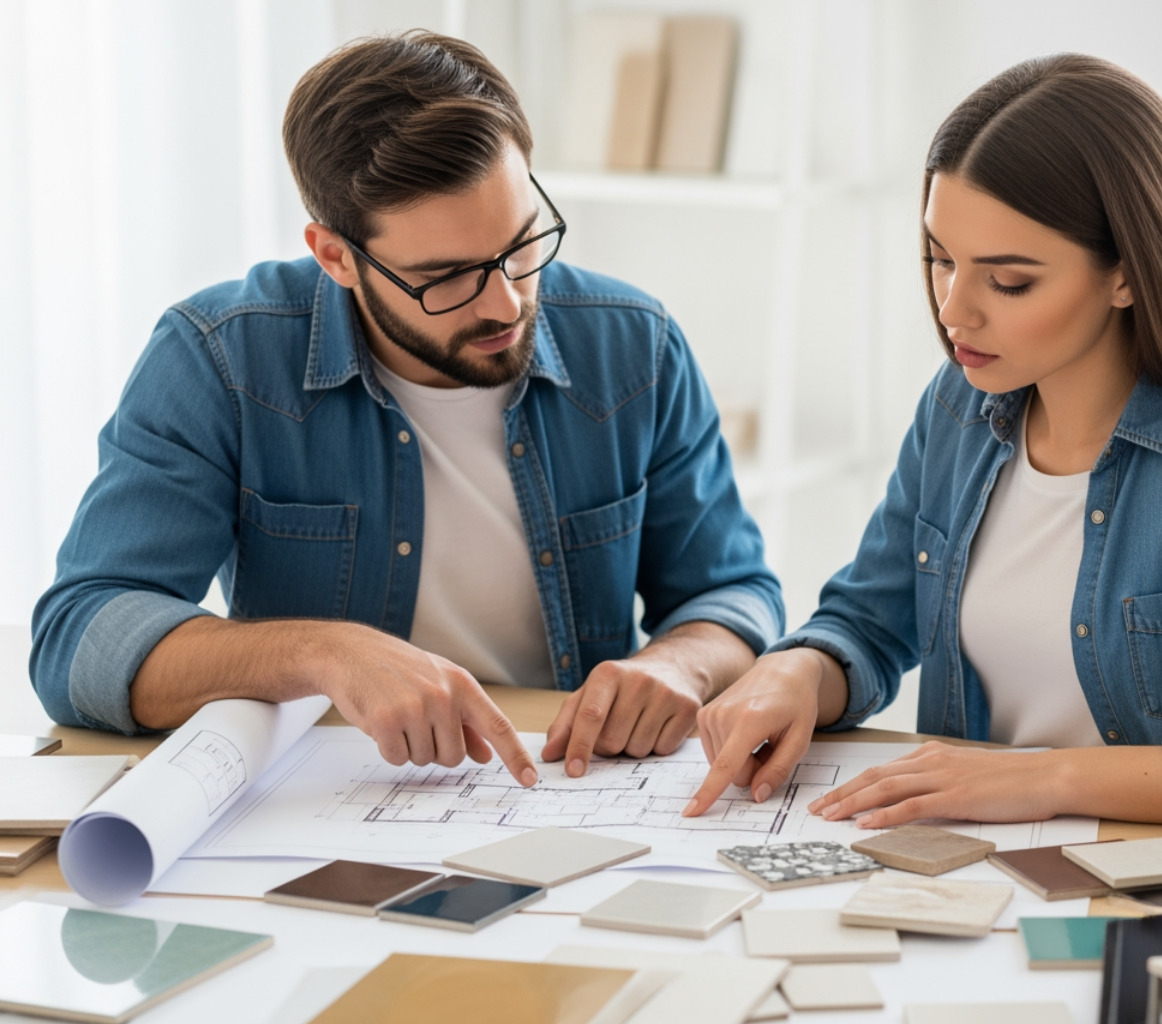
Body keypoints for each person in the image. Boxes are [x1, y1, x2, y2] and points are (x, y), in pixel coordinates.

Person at [685, 54, 1162, 833]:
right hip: (974, 876)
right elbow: (870, 623)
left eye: (1008, 282)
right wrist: (798, 670)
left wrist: (1046, 780)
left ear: (1127, 273)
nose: (954, 312)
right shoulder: (959, 407)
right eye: (941, 259)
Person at [30, 32, 782, 785]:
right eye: (445, 276)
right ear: (335, 256)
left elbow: (733, 592)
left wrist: (681, 663)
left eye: (521, 245)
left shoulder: (633, 344)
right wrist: (324, 654)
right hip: (330, 801)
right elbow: (80, 635)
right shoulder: (221, 358)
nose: (506, 302)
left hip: (566, 789)